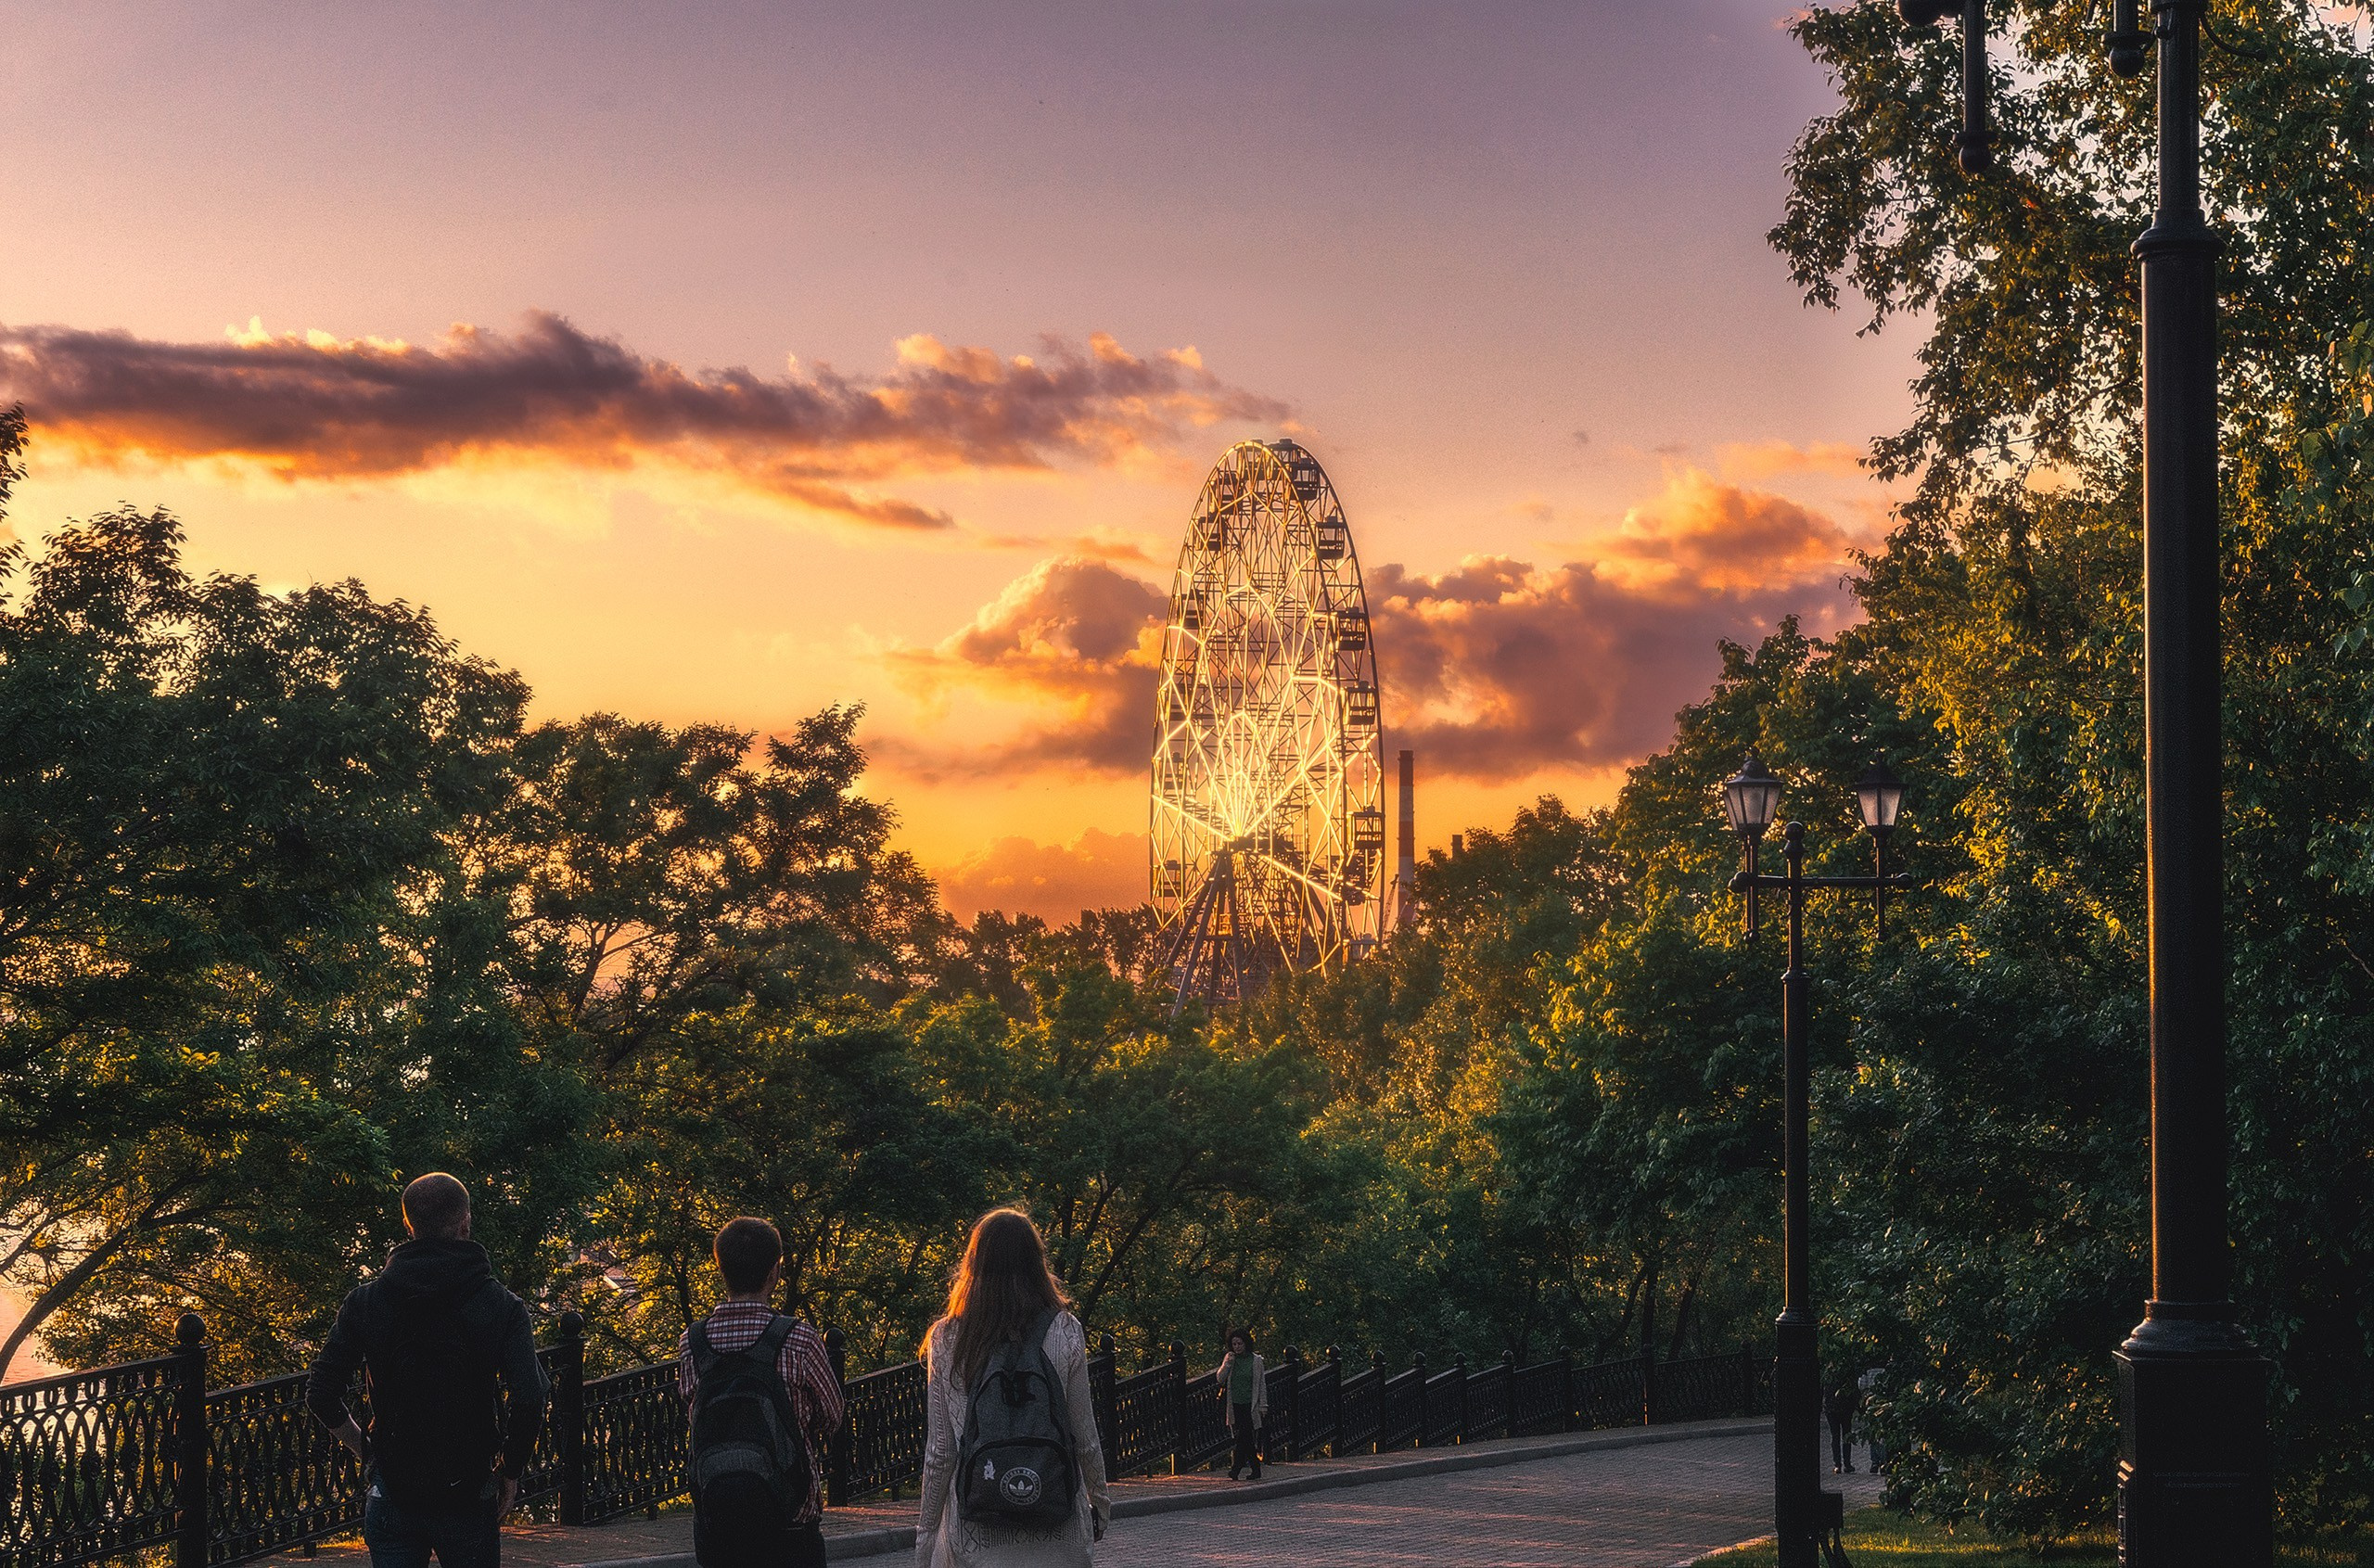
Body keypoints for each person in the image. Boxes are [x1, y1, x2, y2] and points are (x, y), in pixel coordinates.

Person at [307, 1173, 547, 1568]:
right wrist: (510, 1471)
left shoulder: (366, 1302)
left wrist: (367, 1452)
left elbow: (321, 1391)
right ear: (466, 1222)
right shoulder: (501, 1305)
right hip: (469, 1492)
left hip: (394, 1492)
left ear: (408, 1226)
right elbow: (530, 1395)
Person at [915, 1209, 1111, 1567]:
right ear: (1036, 1262)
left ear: (974, 1264)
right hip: (1058, 1523)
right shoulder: (1064, 1329)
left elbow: (941, 1452)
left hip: (979, 1529)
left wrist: (926, 1534)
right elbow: (1084, 1436)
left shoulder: (947, 1337)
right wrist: (1100, 1501)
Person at [676, 1217, 845, 1568]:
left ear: (721, 1269)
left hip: (716, 1520)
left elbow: (691, 1409)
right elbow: (833, 1414)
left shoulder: (693, 1343)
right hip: (790, 1520)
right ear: (775, 1272)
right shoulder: (798, 1338)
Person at [1215, 1330, 1267, 1482]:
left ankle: (1235, 1469)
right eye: (1234, 1344)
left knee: (1243, 1436)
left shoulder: (1256, 1360)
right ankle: (1256, 1469)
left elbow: (1261, 1384)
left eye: (1239, 1344)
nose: (1237, 1347)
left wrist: (1263, 1406)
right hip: (1234, 1404)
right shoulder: (1230, 1359)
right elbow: (1220, 1378)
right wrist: (1227, 1364)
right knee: (1246, 1438)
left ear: (1246, 1343)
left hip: (1251, 1405)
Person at [1825, 1375, 1862, 1474]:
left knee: (1835, 1436)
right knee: (1846, 1436)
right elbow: (1854, 1392)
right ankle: (1847, 1463)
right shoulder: (1847, 1374)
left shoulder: (1828, 1376)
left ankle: (1837, 1464)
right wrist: (1858, 1407)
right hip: (1845, 1408)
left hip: (1832, 1408)